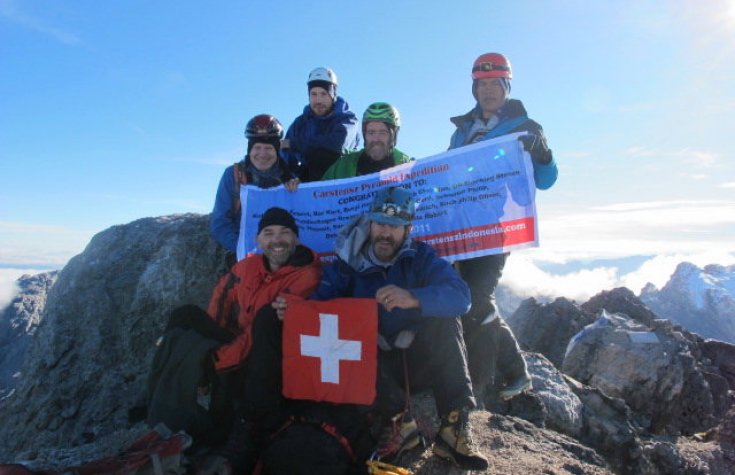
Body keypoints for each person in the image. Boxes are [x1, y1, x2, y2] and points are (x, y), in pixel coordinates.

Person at [269, 187, 489, 471]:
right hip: (372, 367)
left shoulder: (421, 258)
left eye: (395, 226)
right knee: (354, 332)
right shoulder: (347, 265)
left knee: (446, 319)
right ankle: (398, 422)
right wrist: (296, 311)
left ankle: (454, 426)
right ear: (370, 223)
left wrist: (414, 299)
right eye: (381, 223)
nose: (386, 232)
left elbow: (461, 297)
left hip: (419, 360)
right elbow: (318, 306)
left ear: (408, 229)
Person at [149, 207, 321, 465]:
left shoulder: (307, 274)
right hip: (237, 344)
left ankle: (240, 426)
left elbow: (263, 328)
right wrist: (209, 346)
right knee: (184, 315)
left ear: (296, 239)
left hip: (269, 353)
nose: (277, 240)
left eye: (285, 233)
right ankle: (155, 399)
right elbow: (220, 301)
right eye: (269, 233)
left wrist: (219, 360)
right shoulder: (247, 266)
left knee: (265, 319)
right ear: (258, 240)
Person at [448, 52, 558, 402]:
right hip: (459, 227)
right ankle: (482, 372)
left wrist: (543, 154)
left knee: (476, 296)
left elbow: (547, 180)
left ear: (506, 86)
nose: (488, 90)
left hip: (494, 229)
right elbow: (450, 172)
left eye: (496, 83)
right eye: (482, 84)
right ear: (474, 88)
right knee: (464, 298)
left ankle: (511, 373)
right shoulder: (463, 131)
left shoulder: (526, 128)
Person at [209, 114, 300, 255]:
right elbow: (220, 223)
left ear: (277, 151)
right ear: (249, 149)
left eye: (268, 148)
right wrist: (244, 249)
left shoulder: (289, 177)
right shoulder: (234, 175)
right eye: (257, 147)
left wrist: (297, 192)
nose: (262, 154)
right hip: (246, 255)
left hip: (282, 253)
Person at [281, 67, 360, 182]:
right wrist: (290, 177)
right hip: (310, 183)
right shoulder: (300, 124)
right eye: (314, 94)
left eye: (324, 94)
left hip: (342, 181)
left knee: (322, 155)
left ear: (333, 95)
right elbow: (285, 155)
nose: (318, 100)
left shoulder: (347, 120)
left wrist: (295, 143)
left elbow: (336, 144)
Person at [321, 102, 411, 180]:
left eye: (383, 133)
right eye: (371, 133)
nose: (376, 139)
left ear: (393, 136)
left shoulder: (408, 168)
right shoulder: (343, 167)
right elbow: (320, 195)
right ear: (364, 135)